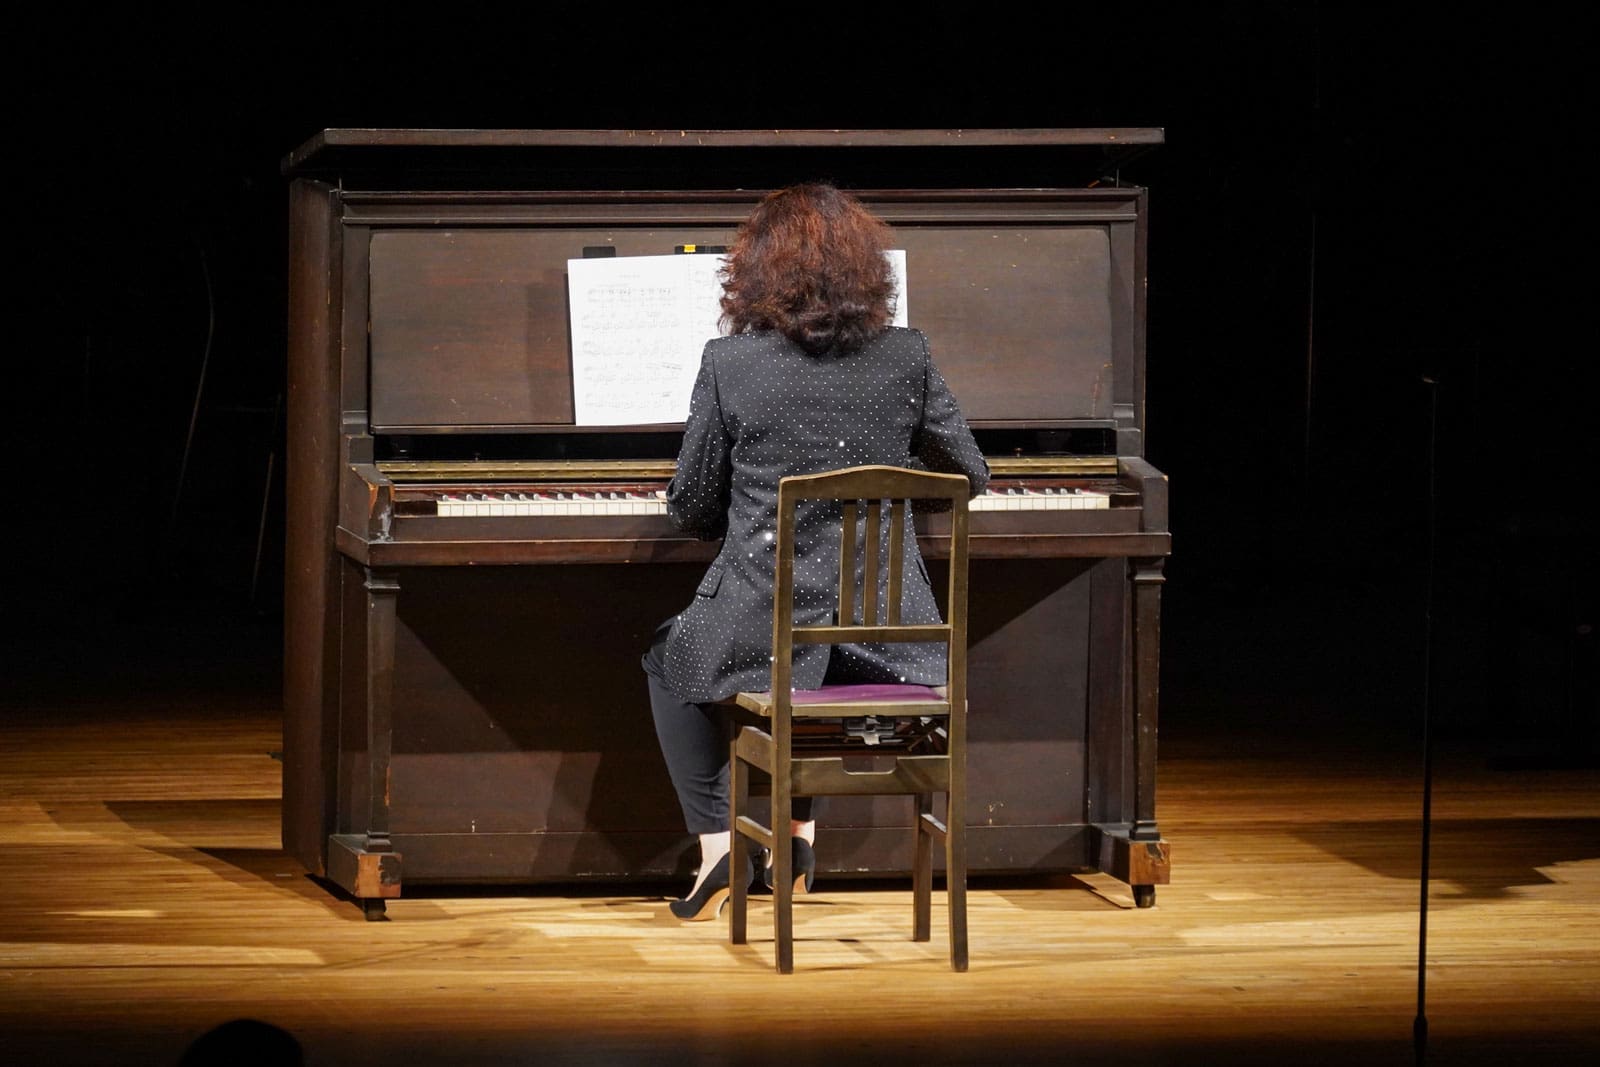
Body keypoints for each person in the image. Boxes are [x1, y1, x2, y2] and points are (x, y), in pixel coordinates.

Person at [642, 182, 989, 921]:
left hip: (764, 621)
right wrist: (886, 488)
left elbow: (692, 506)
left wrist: (748, 501)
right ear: (867, 270)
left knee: (671, 663)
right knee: (818, 663)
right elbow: (968, 475)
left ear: (754, 272)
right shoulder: (907, 355)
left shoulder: (730, 363)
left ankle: (718, 846)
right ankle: (796, 841)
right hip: (888, 637)